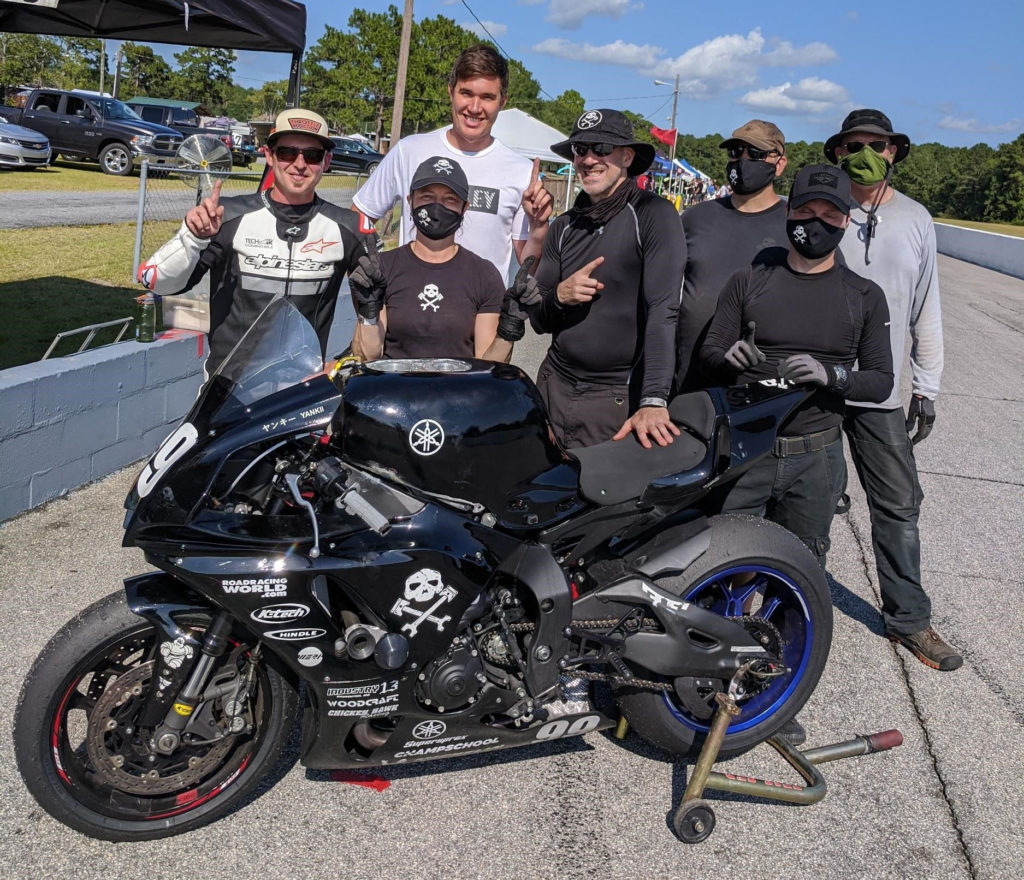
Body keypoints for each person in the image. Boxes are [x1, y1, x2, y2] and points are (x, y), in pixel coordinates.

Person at [700, 164, 893, 570]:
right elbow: (711, 350)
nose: (816, 222)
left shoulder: (864, 296)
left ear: (846, 220)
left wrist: (831, 375)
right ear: (789, 211)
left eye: (830, 214)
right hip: (745, 448)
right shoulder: (748, 279)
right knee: (725, 563)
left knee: (800, 571)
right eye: (807, 210)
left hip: (815, 457)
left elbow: (880, 382)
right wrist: (727, 356)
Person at [824, 109, 961, 671]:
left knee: (899, 506)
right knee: (808, 508)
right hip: (821, 390)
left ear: (893, 152)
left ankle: (909, 618)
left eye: (875, 144)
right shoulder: (821, 211)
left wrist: (926, 387)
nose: (864, 153)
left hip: (883, 392)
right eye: (852, 144)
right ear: (838, 153)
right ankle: (790, 612)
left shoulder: (916, 219)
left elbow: (925, 308)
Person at [138, 108, 379, 375]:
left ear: (327, 160)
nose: (299, 164)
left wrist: (343, 365)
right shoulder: (226, 216)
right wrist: (193, 238)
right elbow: (157, 281)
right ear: (269, 155)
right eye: (287, 152)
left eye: (312, 156)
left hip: (301, 393)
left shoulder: (348, 227)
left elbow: (376, 316)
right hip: (228, 391)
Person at [526, 109, 686, 450]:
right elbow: (538, 320)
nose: (588, 159)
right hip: (554, 386)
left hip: (615, 397)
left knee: (603, 501)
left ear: (627, 156)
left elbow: (664, 310)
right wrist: (559, 295)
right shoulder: (564, 225)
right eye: (580, 149)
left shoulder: (652, 214)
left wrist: (654, 400)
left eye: (601, 148)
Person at [351, 44, 552, 279]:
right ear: (451, 92)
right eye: (466, 93)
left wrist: (538, 228)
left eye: (487, 97)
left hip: (482, 313)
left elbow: (528, 264)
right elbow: (359, 216)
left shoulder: (521, 172)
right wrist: (371, 280)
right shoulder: (410, 151)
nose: (475, 108)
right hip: (407, 309)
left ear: (502, 101)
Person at [349, 156, 505, 361]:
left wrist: (507, 333)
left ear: (464, 208)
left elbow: (488, 366)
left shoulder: (484, 275)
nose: (437, 207)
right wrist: (369, 312)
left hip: (457, 391)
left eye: (450, 199)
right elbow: (368, 357)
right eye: (427, 197)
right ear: (410, 201)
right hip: (394, 389)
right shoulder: (382, 268)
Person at [675, 119, 789, 392]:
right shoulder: (695, 218)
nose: (743, 160)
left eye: (756, 154)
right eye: (736, 151)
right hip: (689, 383)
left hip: (761, 386)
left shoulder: (795, 224)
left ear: (780, 164)